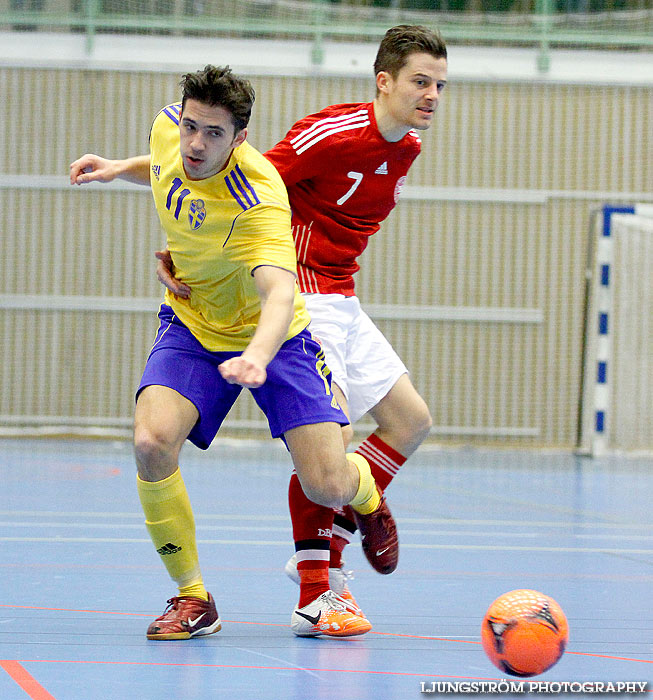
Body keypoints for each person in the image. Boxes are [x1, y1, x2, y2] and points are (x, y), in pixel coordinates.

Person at [69, 64, 399, 640]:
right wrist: (119, 167)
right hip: (194, 324)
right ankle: (193, 597)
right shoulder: (170, 132)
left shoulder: (260, 197)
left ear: (239, 138)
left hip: (277, 339)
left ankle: (366, 495)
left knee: (326, 481)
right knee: (151, 441)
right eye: (191, 126)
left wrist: (257, 355)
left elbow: (279, 294)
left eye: (213, 134)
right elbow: (167, 168)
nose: (196, 143)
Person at [157, 26, 448, 621]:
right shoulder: (333, 132)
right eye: (421, 82)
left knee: (410, 421)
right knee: (331, 441)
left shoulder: (408, 145)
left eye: (441, 85)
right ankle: (318, 584)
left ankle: (340, 533)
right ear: (384, 81)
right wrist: (192, 253)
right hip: (300, 293)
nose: (433, 95)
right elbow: (238, 175)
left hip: (343, 291)